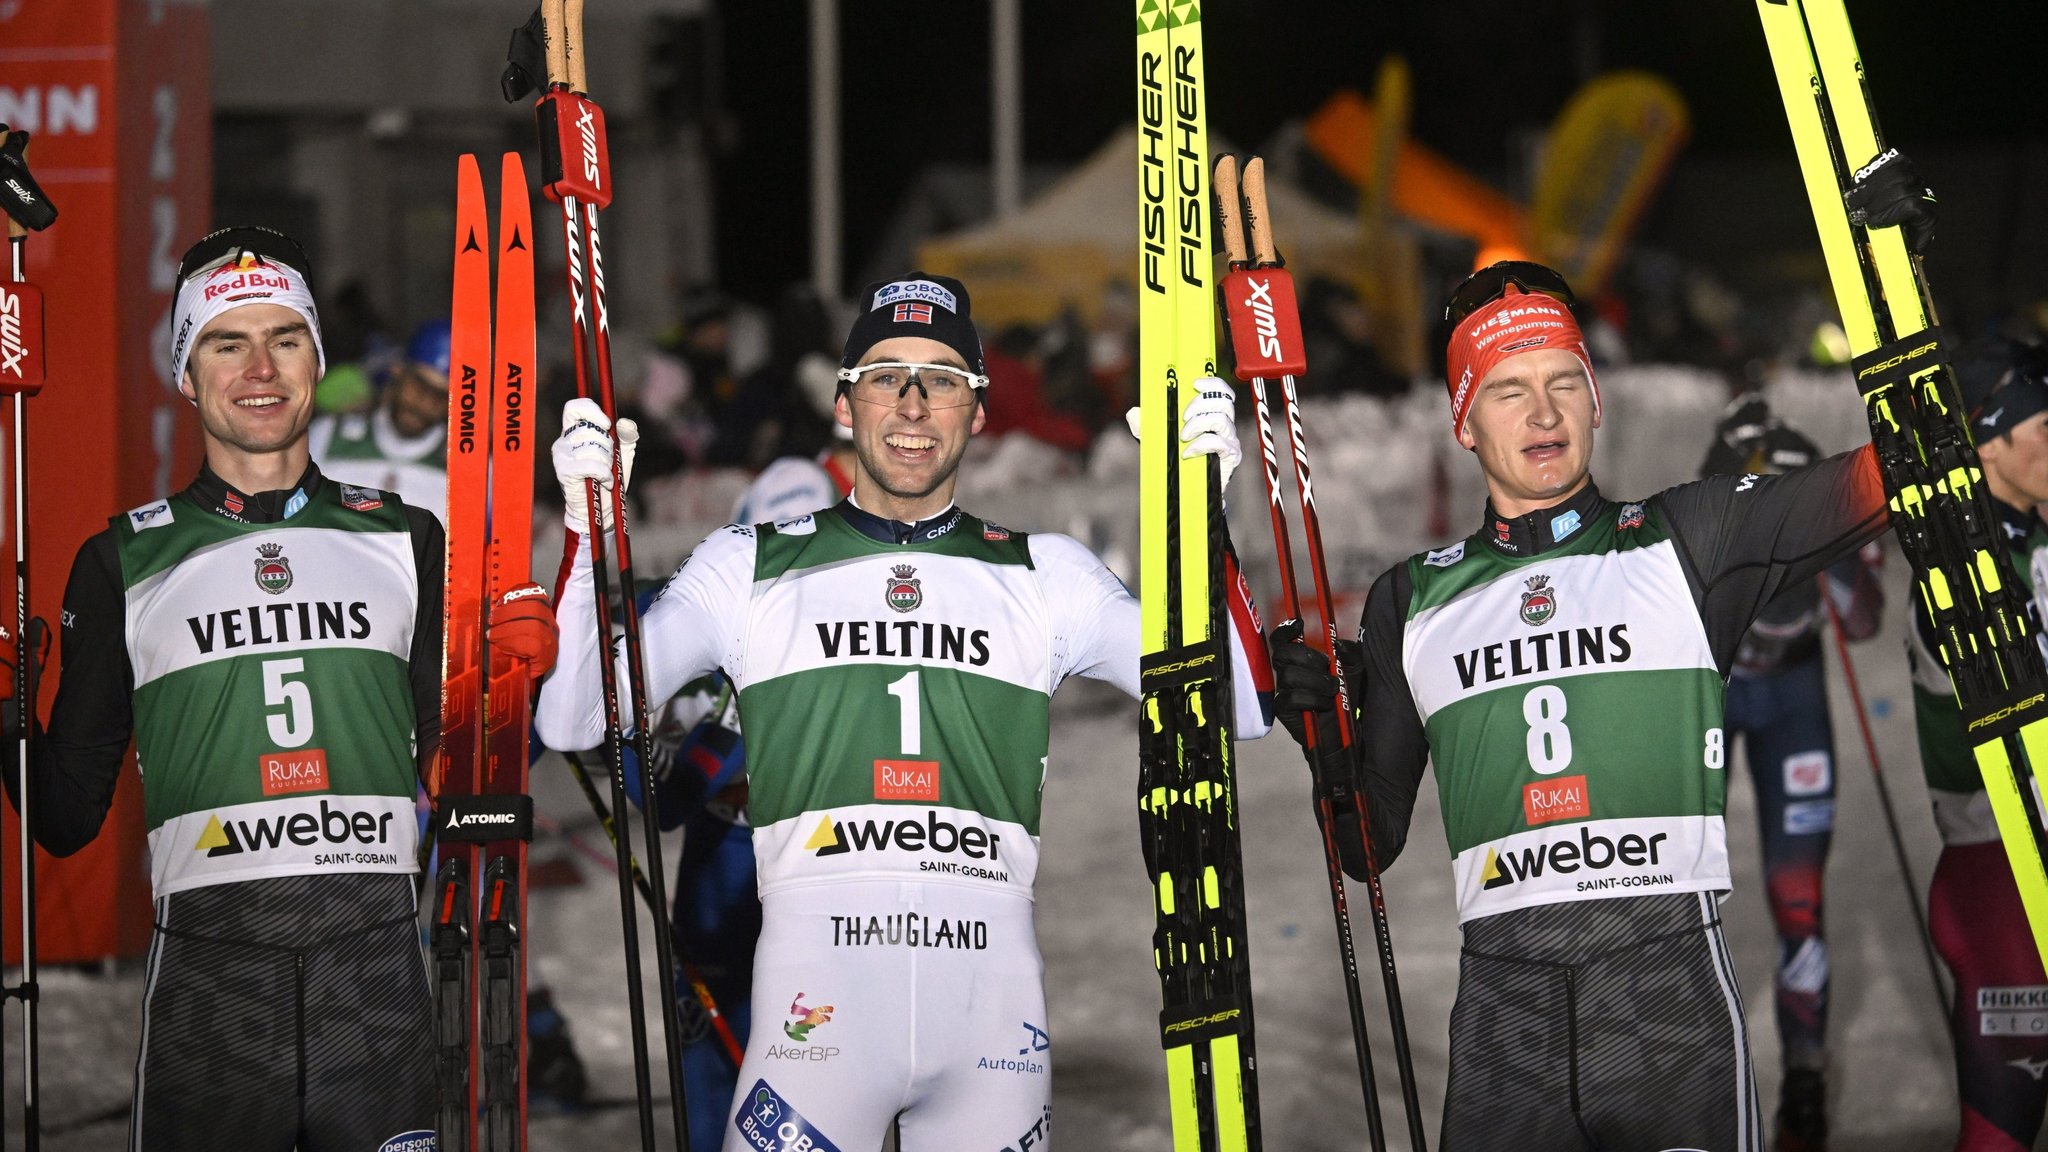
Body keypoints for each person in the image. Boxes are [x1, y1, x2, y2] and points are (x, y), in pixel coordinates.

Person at [535, 272, 1271, 1149]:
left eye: (944, 379)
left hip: (991, 1034)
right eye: (886, 375)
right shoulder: (749, 564)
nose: (915, 404)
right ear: (845, 405)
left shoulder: (1046, 572)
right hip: (816, 1031)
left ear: (980, 412)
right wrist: (586, 530)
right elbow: (577, 717)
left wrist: (1204, 521)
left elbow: (1237, 701)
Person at [1269, 260, 1889, 1150]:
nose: (1545, 413)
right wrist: (1322, 738)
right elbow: (1367, 845)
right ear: (1464, 424)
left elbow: (1905, 466)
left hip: (1668, 989)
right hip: (1502, 1017)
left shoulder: (1691, 541)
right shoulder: (1413, 599)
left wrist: (1890, 277)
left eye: (1565, 381)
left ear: (1598, 402)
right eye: (1508, 391)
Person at [0, 226, 556, 1150]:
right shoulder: (122, 560)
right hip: (210, 999)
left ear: (318, 360)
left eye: (285, 338)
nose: (260, 367)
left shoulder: (410, 539)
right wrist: (8, 714)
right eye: (227, 342)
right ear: (186, 372)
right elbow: (63, 818)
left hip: (374, 979)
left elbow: (464, 788)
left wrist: (509, 691)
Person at [630, 426, 857, 1152]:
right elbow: (665, 794)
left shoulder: (857, 627)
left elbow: (674, 793)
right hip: (724, 854)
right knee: (709, 1044)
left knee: (821, 1053)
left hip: (825, 857)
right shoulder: (708, 623)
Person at [1700, 390, 1886, 1152]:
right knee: (1678, 893)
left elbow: (1866, 620)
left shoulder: (1827, 500)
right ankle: (1687, 1080)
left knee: (1796, 895)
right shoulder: (1713, 497)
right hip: (1713, 689)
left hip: (1795, 695)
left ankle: (1804, 1079)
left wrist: (1829, 541)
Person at [1910, 336, 2048, 1152]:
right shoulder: (1963, 565)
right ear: (1988, 441)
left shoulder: (2029, 538)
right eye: (2044, 429)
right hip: (1998, 877)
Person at [309, 317, 453, 516]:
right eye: (420, 385)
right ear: (398, 370)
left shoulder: (463, 470)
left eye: (440, 395)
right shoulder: (328, 436)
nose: (426, 403)